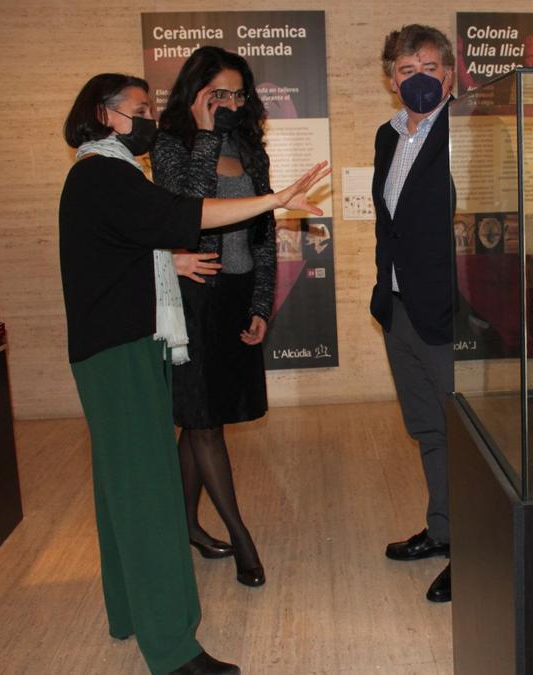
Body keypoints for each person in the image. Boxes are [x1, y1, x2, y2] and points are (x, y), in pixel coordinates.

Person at [59, 72, 328, 675]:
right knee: (152, 495)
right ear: (104, 115)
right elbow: (187, 210)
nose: (149, 118)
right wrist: (274, 200)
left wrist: (168, 259)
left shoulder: (96, 174)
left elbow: (116, 248)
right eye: (138, 109)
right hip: (121, 349)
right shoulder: (104, 172)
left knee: (120, 488)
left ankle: (127, 611)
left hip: (111, 346)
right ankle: (174, 651)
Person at [151, 46, 276, 588]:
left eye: (236, 94)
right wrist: (204, 134)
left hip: (236, 294)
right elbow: (186, 213)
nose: (228, 103)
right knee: (205, 423)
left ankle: (185, 527)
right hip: (195, 294)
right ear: (196, 91)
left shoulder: (251, 148)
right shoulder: (171, 144)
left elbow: (264, 234)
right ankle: (241, 535)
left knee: (202, 415)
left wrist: (260, 304)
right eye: (217, 93)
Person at [370, 25, 456, 603]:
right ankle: (446, 530)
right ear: (391, 79)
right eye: (406, 70)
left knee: (466, 437)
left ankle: (477, 547)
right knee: (428, 429)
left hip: (451, 312)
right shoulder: (387, 134)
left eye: (428, 65)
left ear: (449, 72)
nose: (418, 77)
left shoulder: (469, 130)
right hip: (398, 305)